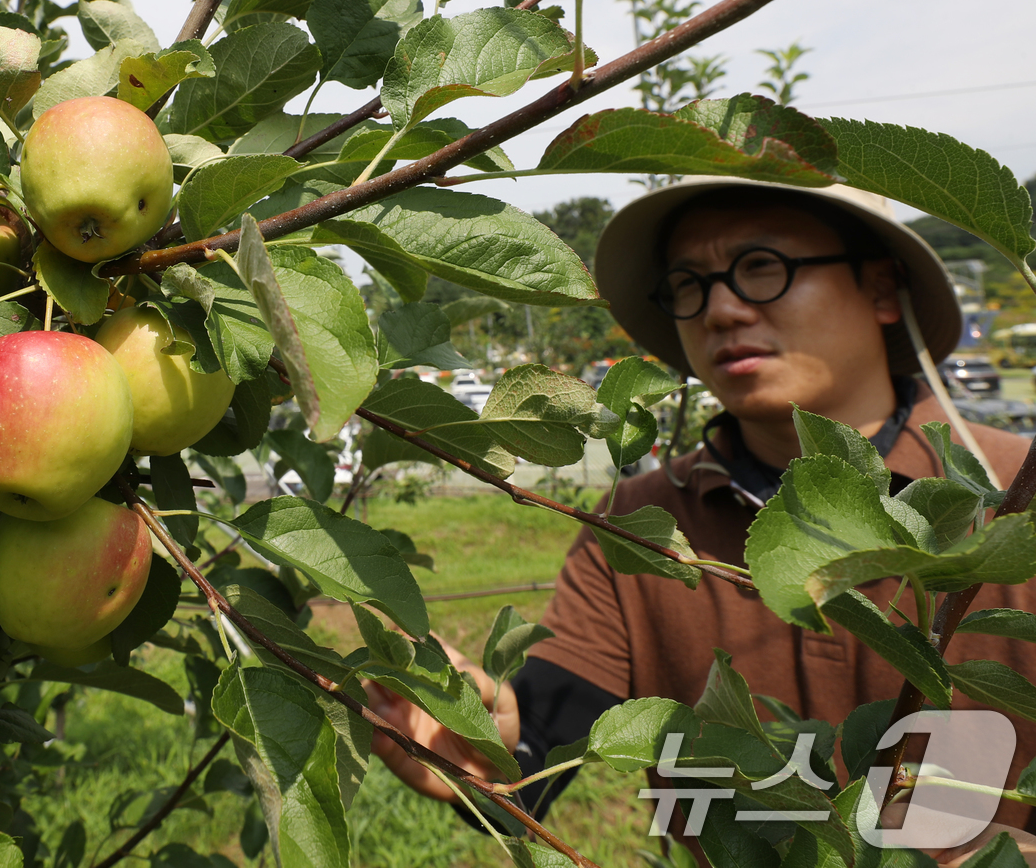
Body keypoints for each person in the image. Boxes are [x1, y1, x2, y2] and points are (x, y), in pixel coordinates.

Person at [366, 178, 1036, 865]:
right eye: (689, 283)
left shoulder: (1012, 495)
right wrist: (481, 741)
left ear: (883, 288)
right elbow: (538, 736)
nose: (718, 308)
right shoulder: (641, 526)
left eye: (762, 267)